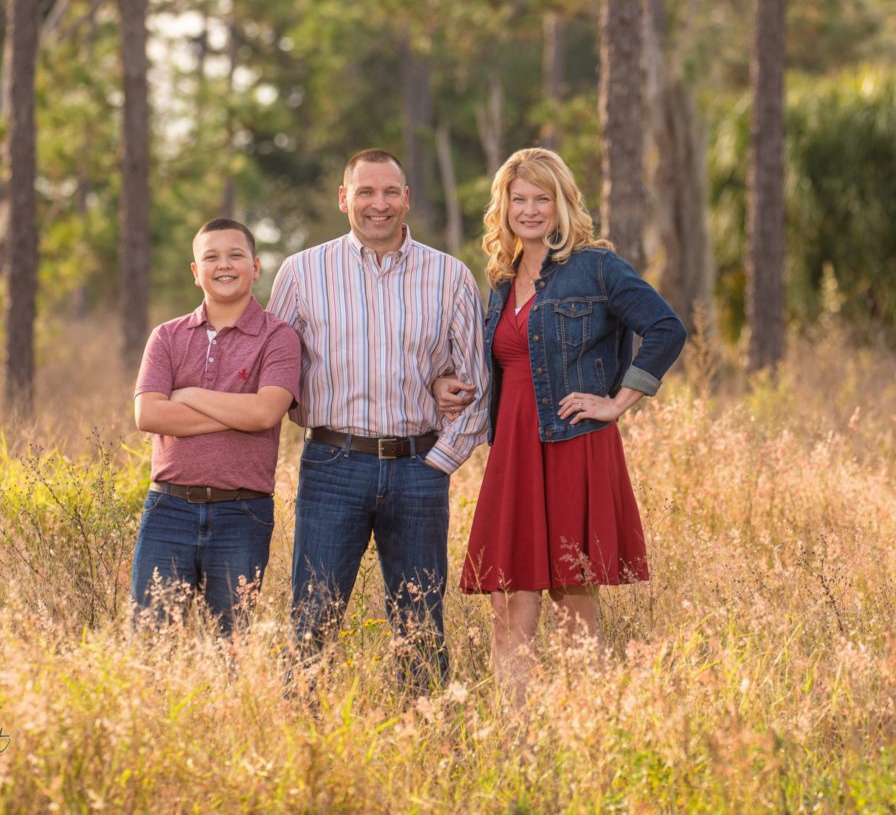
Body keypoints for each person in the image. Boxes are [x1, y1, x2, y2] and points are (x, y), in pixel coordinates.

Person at [438, 147, 685, 700]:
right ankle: (516, 737)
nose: (529, 210)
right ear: (502, 208)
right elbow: (511, 364)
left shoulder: (597, 266)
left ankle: (585, 733)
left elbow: (666, 328)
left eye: (540, 199)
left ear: (562, 203)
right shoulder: (501, 279)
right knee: (508, 596)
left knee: (572, 593)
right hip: (514, 451)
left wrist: (617, 402)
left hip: (573, 442)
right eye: (517, 199)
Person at [267, 148, 488, 689]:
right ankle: (303, 745)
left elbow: (477, 384)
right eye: (365, 191)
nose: (378, 204)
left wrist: (439, 463)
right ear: (344, 199)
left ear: (406, 199)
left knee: (420, 623)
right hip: (332, 464)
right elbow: (275, 370)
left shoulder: (449, 276)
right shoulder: (301, 273)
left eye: (390, 192)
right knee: (313, 617)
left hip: (419, 466)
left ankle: (426, 741)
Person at [132, 218, 301, 635]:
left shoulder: (279, 337)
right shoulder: (167, 336)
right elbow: (149, 415)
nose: (224, 265)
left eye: (235, 255)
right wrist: (236, 413)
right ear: (195, 271)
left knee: (230, 645)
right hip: (168, 510)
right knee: (151, 643)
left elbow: (266, 414)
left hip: (242, 512)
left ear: (256, 267)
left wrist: (187, 395)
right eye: (211, 257)